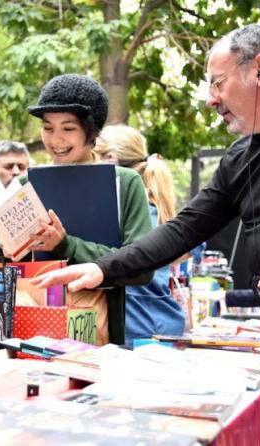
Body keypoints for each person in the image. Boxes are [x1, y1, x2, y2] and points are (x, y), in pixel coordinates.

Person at [32, 24, 260, 445]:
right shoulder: (240, 157)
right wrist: (101, 269)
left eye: (218, 83)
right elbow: (183, 229)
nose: (211, 99)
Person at [23, 73, 154, 345]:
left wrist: (66, 245)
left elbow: (142, 266)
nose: (56, 140)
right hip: (30, 326)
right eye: (48, 128)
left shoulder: (125, 183)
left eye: (68, 128)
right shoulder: (25, 185)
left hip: (100, 331)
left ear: (91, 130)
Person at [94, 125, 185, 346]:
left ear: (109, 160)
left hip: (140, 329)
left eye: (93, 156)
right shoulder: (152, 209)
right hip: (155, 322)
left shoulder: (137, 214)